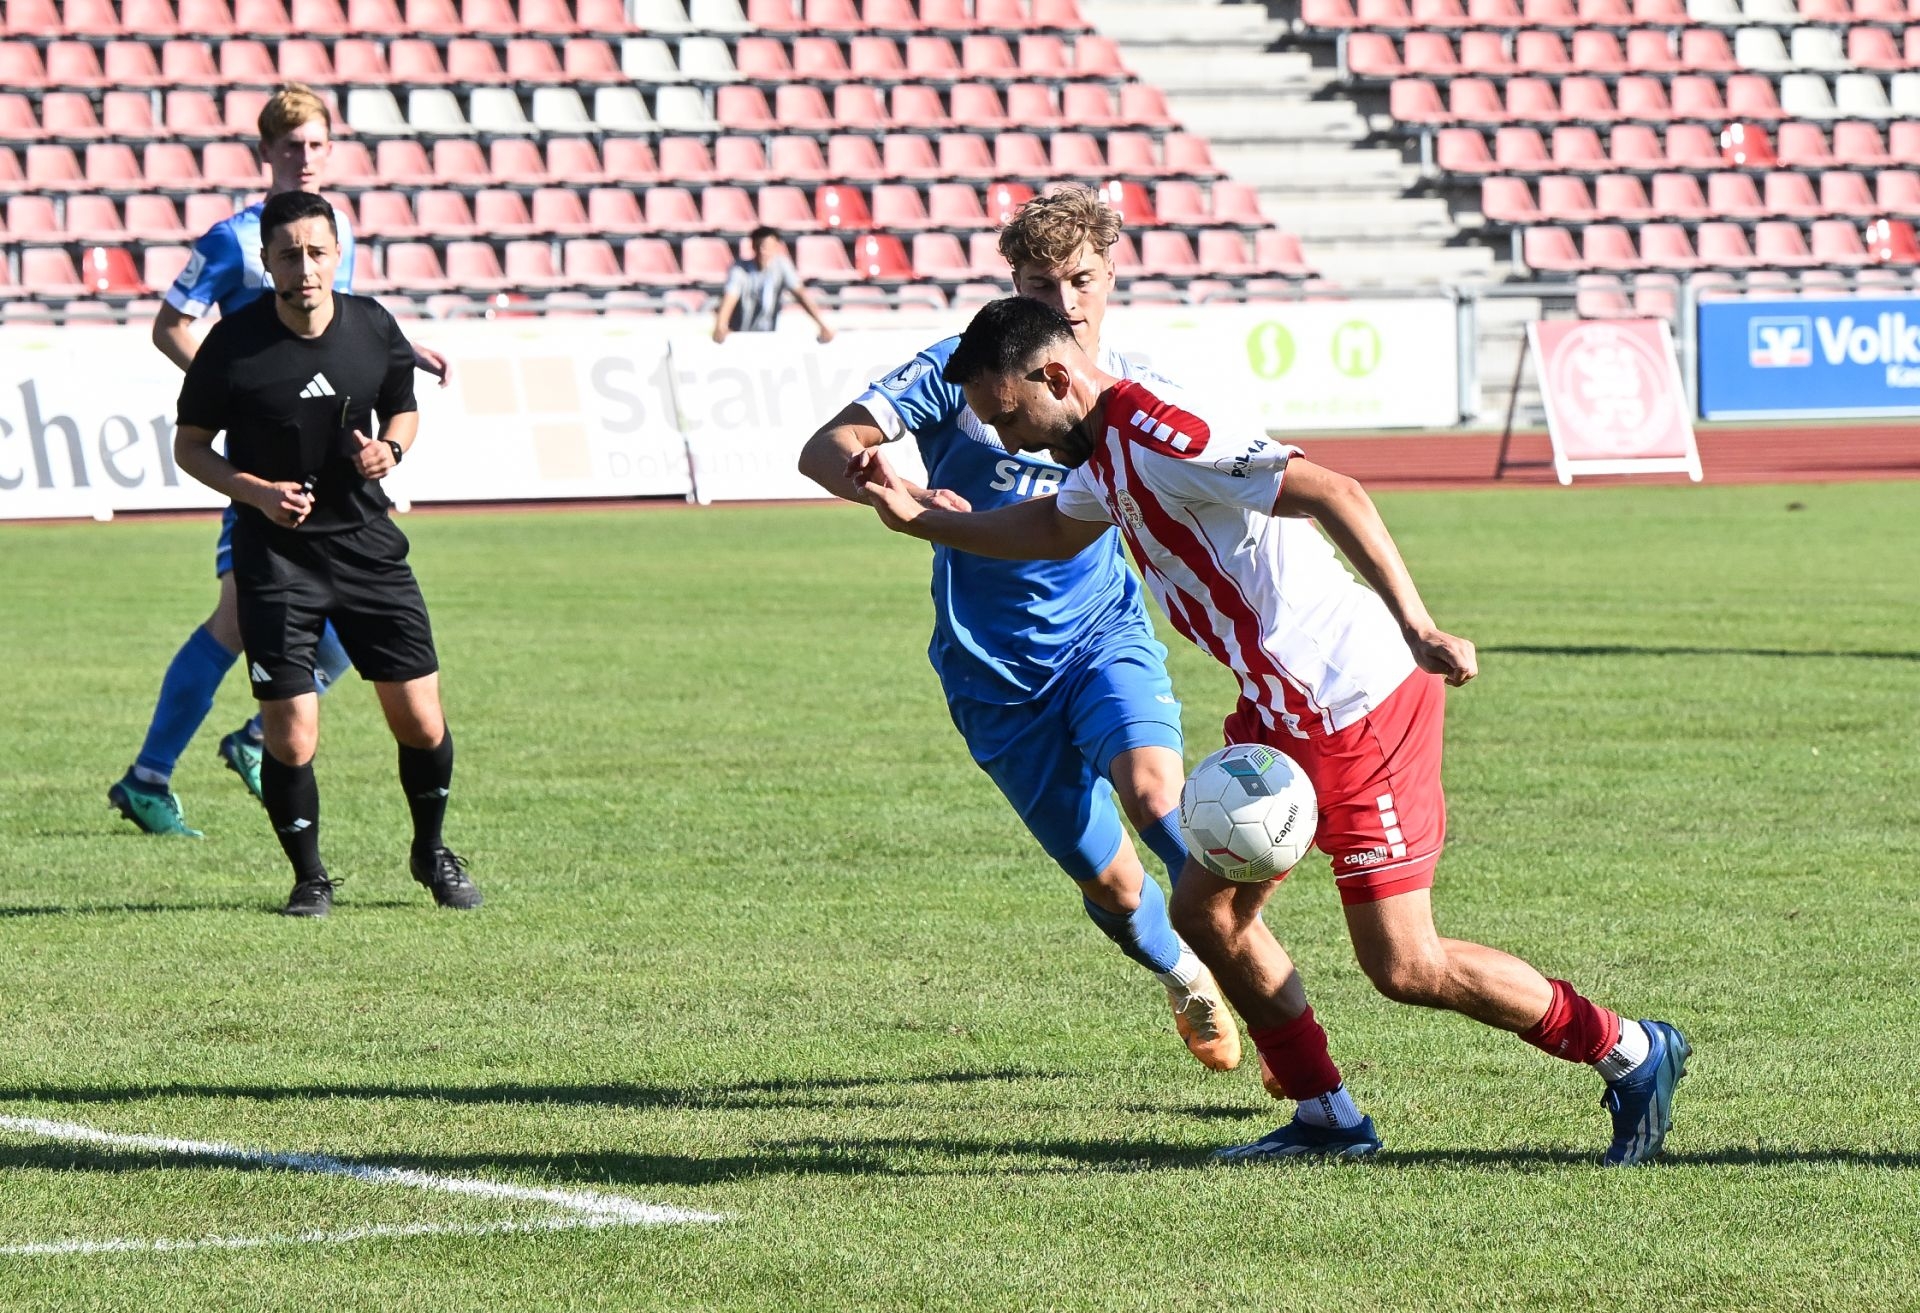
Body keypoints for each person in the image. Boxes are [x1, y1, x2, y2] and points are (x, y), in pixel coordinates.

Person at [853, 297, 1691, 1167]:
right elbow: (1054, 526)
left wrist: (1417, 625)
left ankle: (1629, 1049)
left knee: (1405, 965)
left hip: (1356, 703)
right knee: (1204, 911)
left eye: (1010, 416)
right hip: (1280, 709)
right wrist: (923, 519)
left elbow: (1333, 490)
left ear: (1056, 377)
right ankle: (1325, 1113)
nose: (1011, 440)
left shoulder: (1163, 433)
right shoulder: (1097, 452)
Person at [798, 187, 1240, 1074]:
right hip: (992, 674)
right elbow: (824, 447)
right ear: (1014, 284)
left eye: (1081, 280)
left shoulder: (1136, 387)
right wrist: (901, 490)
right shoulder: (961, 372)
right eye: (1042, 284)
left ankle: (1260, 978)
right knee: (1113, 883)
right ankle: (1187, 973)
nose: (1065, 303)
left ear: (1111, 276)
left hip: (1102, 636)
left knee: (1157, 796)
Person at [110, 82, 449, 837]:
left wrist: (402, 350)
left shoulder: (335, 229)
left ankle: (227, 746)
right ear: (265, 151)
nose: (306, 157)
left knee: (338, 620)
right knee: (239, 620)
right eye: (292, 145)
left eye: (318, 144)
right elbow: (171, 326)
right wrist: (241, 394)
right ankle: (153, 774)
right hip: (269, 472)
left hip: (336, 472)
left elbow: (339, 322)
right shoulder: (234, 239)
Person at [171, 190, 479, 919]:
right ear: (267, 262)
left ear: (337, 254)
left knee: (421, 722)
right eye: (288, 255)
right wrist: (255, 492)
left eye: (316, 252)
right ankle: (309, 877)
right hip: (276, 558)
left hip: (369, 548)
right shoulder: (232, 345)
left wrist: (391, 448)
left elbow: (404, 406)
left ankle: (431, 850)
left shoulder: (372, 325)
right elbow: (190, 448)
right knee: (291, 735)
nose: (304, 268)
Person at [712, 227, 834, 344]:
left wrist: (822, 325)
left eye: (767, 247)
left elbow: (800, 295)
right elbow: (730, 297)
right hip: (741, 335)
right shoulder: (739, 269)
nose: (763, 251)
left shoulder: (782, 265)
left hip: (768, 336)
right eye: (759, 246)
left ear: (776, 247)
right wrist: (720, 325)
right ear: (753, 246)